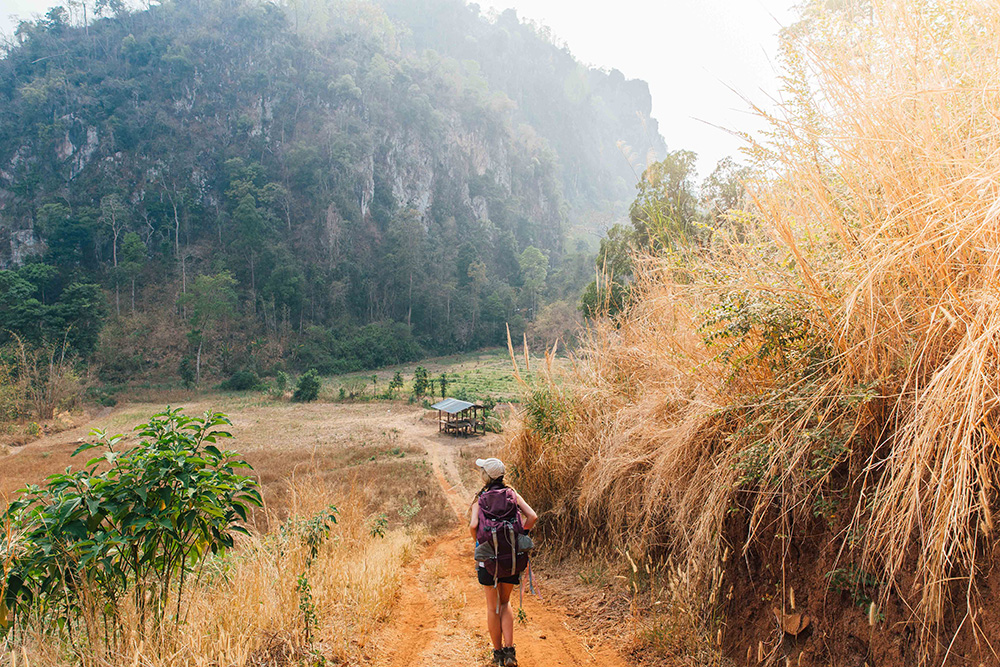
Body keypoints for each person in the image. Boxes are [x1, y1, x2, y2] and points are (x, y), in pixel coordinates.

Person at [469, 457, 537, 667]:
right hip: (511, 558)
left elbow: (473, 526)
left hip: (487, 560)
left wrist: (482, 543)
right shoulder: (512, 495)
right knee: (505, 602)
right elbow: (532, 516)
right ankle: (510, 652)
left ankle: (497, 654)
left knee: (493, 607)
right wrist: (519, 536)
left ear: (486, 476)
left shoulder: (479, 499)